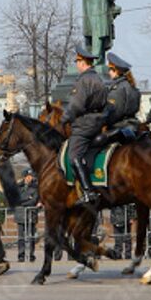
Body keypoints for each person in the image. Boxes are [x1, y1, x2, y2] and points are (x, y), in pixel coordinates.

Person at [60, 46, 107, 205]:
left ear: (83, 62)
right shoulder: (99, 79)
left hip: (85, 124)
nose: (77, 64)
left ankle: (88, 192)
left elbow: (76, 106)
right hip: (98, 120)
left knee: (73, 156)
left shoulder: (83, 80)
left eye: (78, 61)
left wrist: (64, 118)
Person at [96, 52, 140, 144]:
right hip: (133, 126)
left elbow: (115, 112)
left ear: (116, 71)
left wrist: (100, 122)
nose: (108, 72)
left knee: (96, 142)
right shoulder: (132, 86)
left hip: (120, 127)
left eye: (110, 70)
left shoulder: (118, 89)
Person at [16, 169, 39, 262]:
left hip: (31, 214)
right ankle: (21, 255)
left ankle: (31, 254)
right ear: (24, 177)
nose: (29, 178)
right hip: (20, 214)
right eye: (27, 176)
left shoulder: (35, 188)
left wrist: (23, 201)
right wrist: (27, 199)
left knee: (31, 236)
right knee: (21, 237)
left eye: (31, 176)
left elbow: (34, 201)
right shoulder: (18, 187)